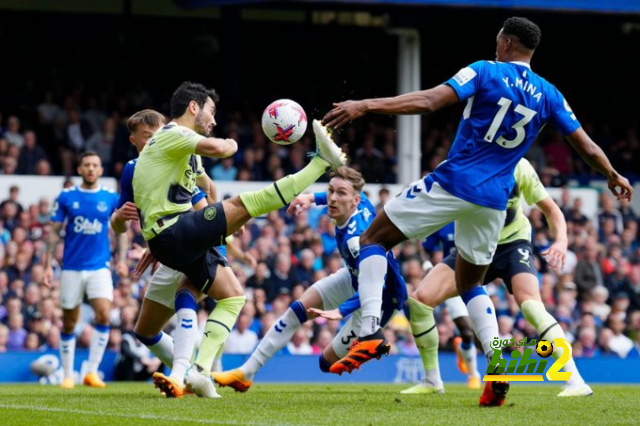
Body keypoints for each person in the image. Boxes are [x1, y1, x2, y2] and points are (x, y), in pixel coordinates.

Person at [322, 17, 632, 407]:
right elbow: (585, 146)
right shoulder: (550, 94)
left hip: (455, 181)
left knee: (372, 238)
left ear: (504, 42)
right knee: (470, 283)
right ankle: (495, 364)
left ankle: (367, 327)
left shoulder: (484, 70)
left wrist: (366, 104)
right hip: (493, 202)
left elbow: (430, 101)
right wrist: (613, 174)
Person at [132, 81, 346, 398]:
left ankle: (198, 371)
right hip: (173, 232)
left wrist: (220, 226)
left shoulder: (176, 151)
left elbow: (177, 194)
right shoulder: (174, 134)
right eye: (211, 111)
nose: (214, 120)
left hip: (172, 237)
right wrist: (235, 142)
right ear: (194, 107)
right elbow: (220, 148)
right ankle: (320, 163)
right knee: (245, 203)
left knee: (233, 295)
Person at [403, 158, 592, 397]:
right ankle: (432, 380)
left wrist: (562, 240)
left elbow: (551, 209)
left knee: (532, 305)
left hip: (512, 244)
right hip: (473, 245)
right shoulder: (456, 164)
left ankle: (575, 380)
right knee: (420, 301)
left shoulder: (519, 165)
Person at [212, 167, 406, 391]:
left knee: (326, 363)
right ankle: (246, 373)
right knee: (296, 310)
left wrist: (342, 310)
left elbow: (376, 286)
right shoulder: (359, 202)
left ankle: (370, 344)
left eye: (340, 193)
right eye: (330, 191)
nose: (333, 198)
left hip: (380, 299)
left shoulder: (356, 239)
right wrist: (310, 197)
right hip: (352, 275)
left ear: (354, 200)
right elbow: (335, 196)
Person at [111, 109, 256, 399]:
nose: (155, 140)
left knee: (192, 293)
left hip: (189, 242)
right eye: (146, 137)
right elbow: (119, 225)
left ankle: (185, 373)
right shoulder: (132, 170)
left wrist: (222, 228)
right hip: (167, 249)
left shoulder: (178, 157)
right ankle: (193, 373)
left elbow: (204, 196)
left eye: (158, 134)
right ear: (134, 141)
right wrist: (118, 220)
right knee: (145, 330)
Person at [43, 151, 123, 389]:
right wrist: (47, 265)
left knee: (103, 314)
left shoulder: (110, 198)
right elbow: (54, 233)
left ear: (100, 170)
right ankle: (68, 374)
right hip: (71, 268)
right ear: (79, 169)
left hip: (100, 266)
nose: (90, 168)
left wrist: (121, 258)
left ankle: (91, 371)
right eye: (86, 165)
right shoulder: (67, 197)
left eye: (95, 165)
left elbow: (121, 227)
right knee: (69, 322)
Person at [421, 221, 482, 391]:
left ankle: (463, 350)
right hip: (451, 281)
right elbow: (425, 248)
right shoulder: (444, 222)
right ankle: (474, 375)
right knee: (466, 330)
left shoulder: (476, 219)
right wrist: (427, 264)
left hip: (476, 279)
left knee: (478, 332)